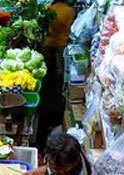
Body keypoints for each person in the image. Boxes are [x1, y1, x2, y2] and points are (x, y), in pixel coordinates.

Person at [38, 0, 75, 147]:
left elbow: (45, 26)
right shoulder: (69, 11)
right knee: (60, 72)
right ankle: (59, 90)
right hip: (62, 44)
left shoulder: (49, 8)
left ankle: (49, 84)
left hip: (49, 43)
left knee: (48, 69)